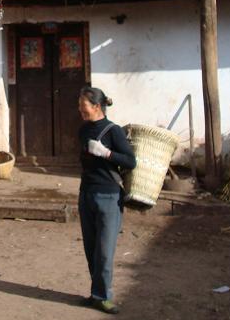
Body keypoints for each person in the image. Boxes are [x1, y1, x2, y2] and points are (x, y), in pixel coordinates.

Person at [77, 86, 136, 315]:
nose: (80, 111)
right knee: (91, 248)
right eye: (79, 107)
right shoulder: (83, 130)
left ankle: (104, 296)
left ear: (97, 106)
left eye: (84, 107)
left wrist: (107, 154)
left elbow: (131, 161)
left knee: (104, 250)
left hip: (109, 196)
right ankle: (96, 293)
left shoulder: (114, 132)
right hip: (87, 194)